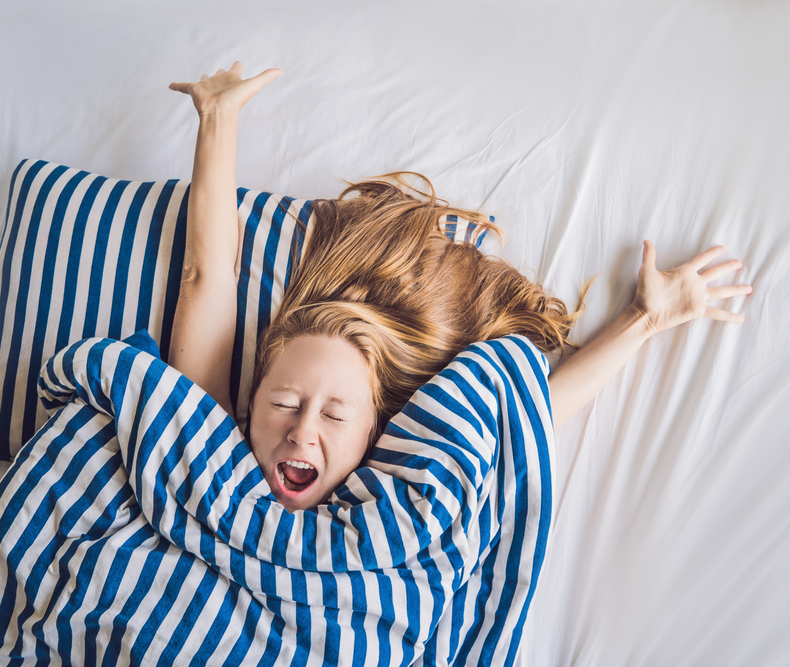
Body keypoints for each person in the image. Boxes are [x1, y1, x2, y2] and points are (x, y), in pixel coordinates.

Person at [167, 62, 753, 512]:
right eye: (285, 404)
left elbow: (529, 423)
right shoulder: (208, 453)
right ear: (248, 409)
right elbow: (206, 277)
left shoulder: (399, 489)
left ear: (374, 433)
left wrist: (646, 320)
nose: (302, 430)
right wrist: (217, 119)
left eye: (336, 416)